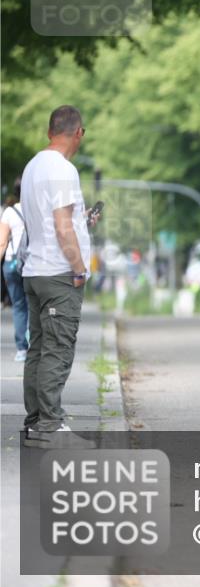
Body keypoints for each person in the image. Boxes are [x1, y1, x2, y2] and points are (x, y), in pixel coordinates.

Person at [21, 106, 100, 449]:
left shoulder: (33, 166)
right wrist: (79, 267)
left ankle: (35, 424)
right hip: (58, 273)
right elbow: (61, 225)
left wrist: (81, 221)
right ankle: (51, 428)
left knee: (38, 350)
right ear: (78, 132)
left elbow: (57, 217)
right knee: (57, 350)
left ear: (49, 130)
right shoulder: (63, 169)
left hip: (35, 271)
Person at [0, 178, 29, 360]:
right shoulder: (38, 210)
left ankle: (21, 349)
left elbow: (2, 242)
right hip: (32, 264)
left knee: (18, 306)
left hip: (11, 263)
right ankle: (34, 344)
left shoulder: (9, 213)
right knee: (34, 304)